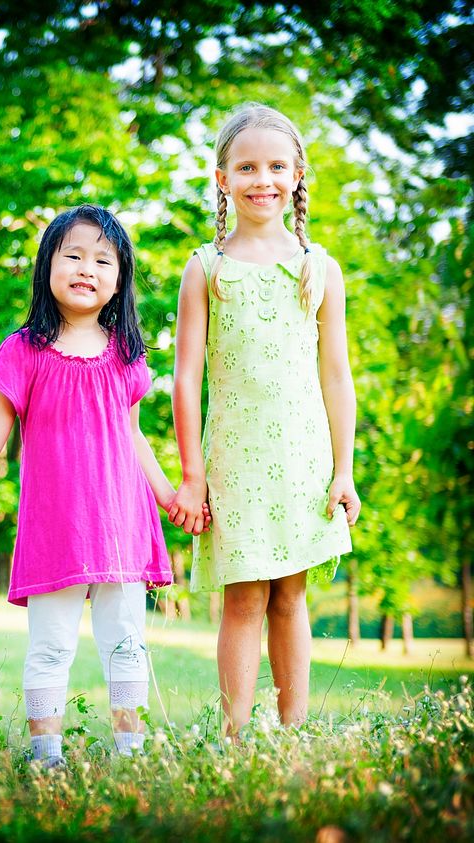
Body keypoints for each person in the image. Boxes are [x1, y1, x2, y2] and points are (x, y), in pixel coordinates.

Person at [0, 204, 203, 769]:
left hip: (121, 523)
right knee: (51, 645)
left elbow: (133, 436)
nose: (85, 268)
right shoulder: (23, 350)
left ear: (120, 278)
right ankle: (46, 756)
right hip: (54, 526)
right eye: (72, 255)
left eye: (102, 259)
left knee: (125, 641)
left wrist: (169, 495)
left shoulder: (126, 353)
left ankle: (130, 751)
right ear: (48, 265)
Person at [171, 103, 361, 739]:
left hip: (304, 463)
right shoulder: (207, 268)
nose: (263, 180)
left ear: (298, 174)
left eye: (278, 166)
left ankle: (293, 732)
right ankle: (234, 738)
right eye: (247, 167)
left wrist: (345, 471)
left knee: (291, 597)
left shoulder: (320, 269)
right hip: (235, 462)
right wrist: (192, 477)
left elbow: (336, 375)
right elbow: (186, 379)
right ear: (222, 177)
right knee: (245, 597)